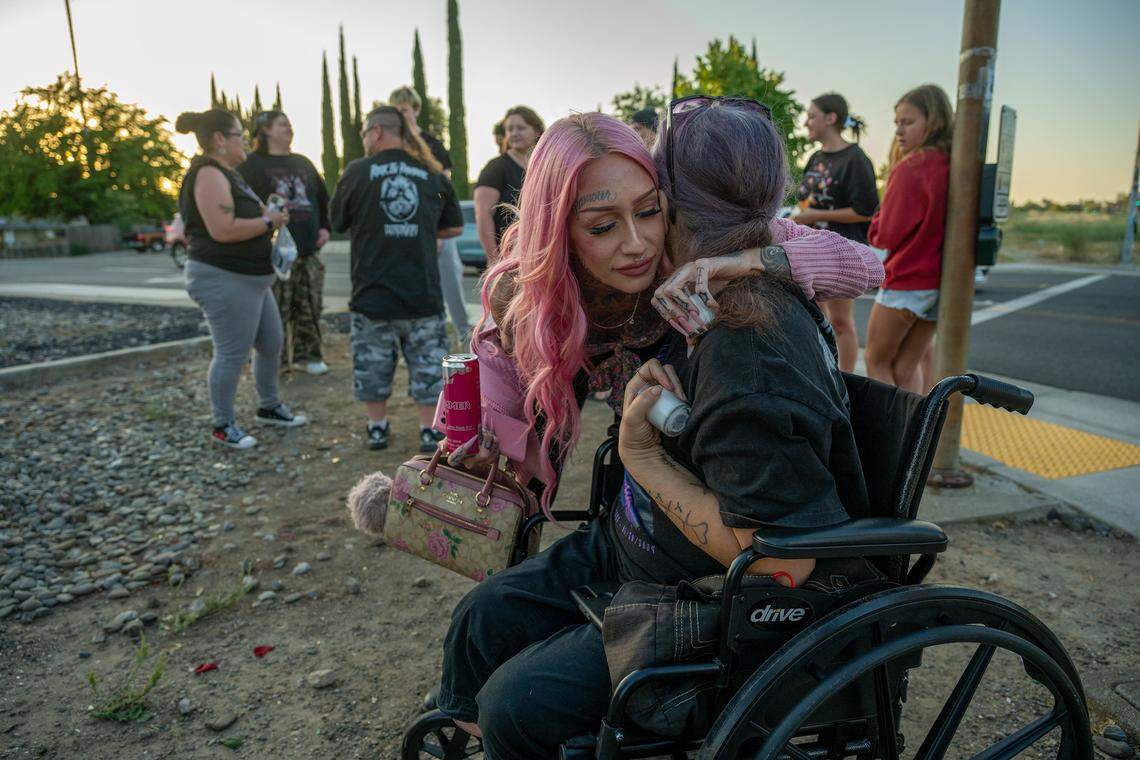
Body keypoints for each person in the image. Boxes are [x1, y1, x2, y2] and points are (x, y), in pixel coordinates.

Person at [434, 108, 883, 756]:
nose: (637, 243)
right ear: (560, 233)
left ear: (674, 203)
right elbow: (506, 422)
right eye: (602, 225)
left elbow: (785, 558)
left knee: (517, 704)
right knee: (480, 621)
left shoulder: (740, 340)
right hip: (637, 537)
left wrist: (744, 261)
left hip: (694, 578)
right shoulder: (532, 298)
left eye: (651, 211)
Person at [330, 106, 464, 453]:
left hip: (372, 295)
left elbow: (337, 221)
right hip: (422, 294)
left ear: (376, 132)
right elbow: (453, 226)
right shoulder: (432, 174)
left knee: (372, 369)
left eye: (364, 133)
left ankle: (377, 426)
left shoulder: (357, 172)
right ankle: (429, 429)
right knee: (428, 370)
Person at [175, 109, 307, 449]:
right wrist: (269, 223)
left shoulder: (228, 174)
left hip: (251, 279)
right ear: (220, 139)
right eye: (239, 134)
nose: (245, 141)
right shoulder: (207, 173)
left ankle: (269, 406)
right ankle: (222, 424)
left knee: (270, 342)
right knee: (231, 352)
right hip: (224, 276)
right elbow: (222, 229)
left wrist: (271, 215)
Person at [865, 84, 953, 393]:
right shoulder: (951, 164)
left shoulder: (911, 167)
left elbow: (886, 234)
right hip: (938, 281)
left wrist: (876, 223)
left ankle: (893, 439)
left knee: (875, 361)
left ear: (934, 121)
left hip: (907, 278)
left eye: (908, 122)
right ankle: (915, 436)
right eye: (897, 123)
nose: (899, 131)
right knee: (905, 367)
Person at [238, 110, 332, 375]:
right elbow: (241, 205)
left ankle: (308, 356)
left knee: (310, 306)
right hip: (270, 256)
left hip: (308, 251)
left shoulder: (303, 162)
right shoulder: (249, 165)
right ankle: (273, 364)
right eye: (282, 124)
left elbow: (323, 200)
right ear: (265, 130)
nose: (289, 128)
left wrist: (325, 227)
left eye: (289, 123)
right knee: (274, 311)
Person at [796, 92, 879, 373]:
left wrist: (815, 215)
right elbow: (805, 199)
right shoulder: (815, 157)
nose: (806, 122)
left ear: (830, 118)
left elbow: (866, 210)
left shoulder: (855, 159)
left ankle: (845, 382)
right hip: (811, 249)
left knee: (841, 322)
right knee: (816, 319)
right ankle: (823, 373)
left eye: (811, 116)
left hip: (842, 251)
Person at [389, 86, 471, 343]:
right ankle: (409, 338)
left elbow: (442, 191)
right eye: (396, 111)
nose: (401, 115)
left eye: (404, 110)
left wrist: (435, 229)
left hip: (437, 228)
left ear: (415, 110)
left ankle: (465, 336)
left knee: (451, 282)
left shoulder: (433, 145)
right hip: (405, 229)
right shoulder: (392, 148)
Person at [474, 106, 544, 264]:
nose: (514, 133)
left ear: (537, 131)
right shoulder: (496, 167)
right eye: (510, 129)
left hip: (541, 257)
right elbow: (483, 215)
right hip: (509, 261)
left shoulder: (544, 168)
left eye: (521, 128)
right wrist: (495, 262)